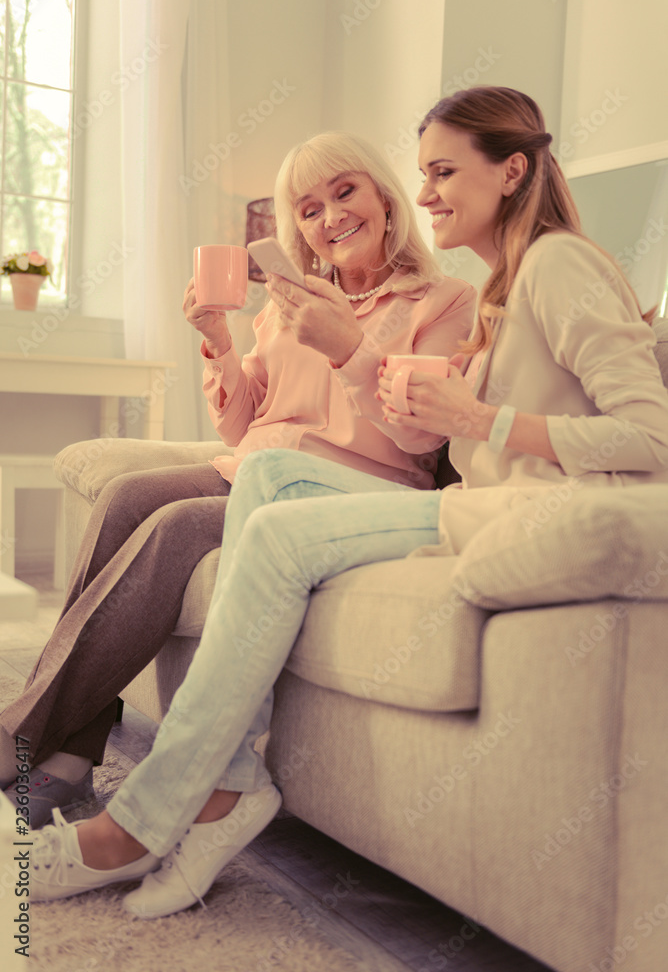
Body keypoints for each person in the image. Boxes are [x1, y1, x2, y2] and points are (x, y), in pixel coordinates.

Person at [27, 86, 668, 917]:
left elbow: (651, 438)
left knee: (242, 512)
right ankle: (218, 785)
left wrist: (469, 414)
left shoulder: (554, 264)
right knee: (256, 482)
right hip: (477, 503)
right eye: (424, 173)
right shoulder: (512, 281)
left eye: (442, 171)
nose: (428, 190)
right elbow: (452, 444)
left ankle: (144, 818)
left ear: (512, 171)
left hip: (508, 514)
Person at [0, 132, 475, 825]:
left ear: (383, 197)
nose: (330, 217)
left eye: (345, 192)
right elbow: (241, 423)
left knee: (173, 528)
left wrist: (350, 349)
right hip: (252, 466)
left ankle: (22, 740)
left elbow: (424, 436)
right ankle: (71, 754)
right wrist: (220, 339)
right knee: (127, 495)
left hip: (340, 490)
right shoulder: (291, 299)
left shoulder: (441, 299)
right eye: (309, 209)